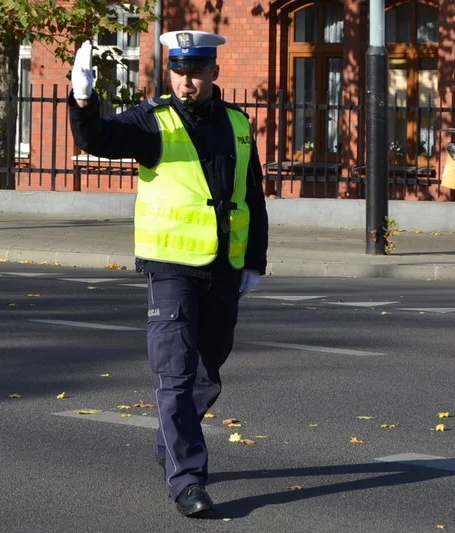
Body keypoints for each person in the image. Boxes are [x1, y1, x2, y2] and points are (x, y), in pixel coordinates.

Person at [68, 30, 269, 518]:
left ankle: (170, 442)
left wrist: (255, 262)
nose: (186, 81)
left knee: (207, 375)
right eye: (178, 72)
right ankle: (187, 480)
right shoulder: (154, 121)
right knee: (175, 374)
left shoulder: (239, 124)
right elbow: (98, 139)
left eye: (196, 72)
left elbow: (253, 196)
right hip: (172, 268)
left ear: (214, 74)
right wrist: (83, 99)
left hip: (224, 268)